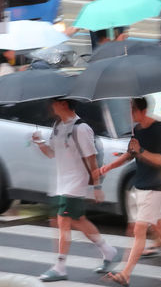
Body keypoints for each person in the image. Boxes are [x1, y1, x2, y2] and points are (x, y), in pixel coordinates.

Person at [99, 98, 161, 286]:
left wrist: (140, 150)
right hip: (141, 185)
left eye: (132, 109)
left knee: (140, 230)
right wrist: (108, 167)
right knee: (160, 227)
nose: (130, 113)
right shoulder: (138, 130)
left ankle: (126, 273)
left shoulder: (160, 130)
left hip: (154, 186)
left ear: (143, 110)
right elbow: (129, 154)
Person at [30, 99, 119, 282]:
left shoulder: (81, 128)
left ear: (63, 104)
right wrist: (39, 143)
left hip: (76, 182)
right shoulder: (58, 125)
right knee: (77, 220)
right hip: (60, 183)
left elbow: (92, 159)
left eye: (54, 103)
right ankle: (108, 250)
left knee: (63, 221)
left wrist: (96, 186)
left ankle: (60, 267)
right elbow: (51, 153)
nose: (51, 106)